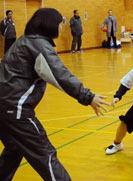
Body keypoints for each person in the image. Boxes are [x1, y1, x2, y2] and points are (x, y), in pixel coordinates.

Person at [0, 8, 111, 181]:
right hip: (15, 110)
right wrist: (88, 97)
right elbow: (60, 75)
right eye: (60, 23)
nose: (61, 27)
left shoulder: (24, 41)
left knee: (14, 148)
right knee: (45, 155)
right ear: (50, 25)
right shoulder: (39, 46)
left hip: (4, 108)